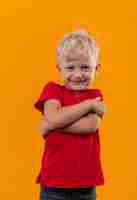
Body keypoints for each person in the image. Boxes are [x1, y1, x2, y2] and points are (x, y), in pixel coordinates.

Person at [34, 29, 106, 200]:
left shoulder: (96, 95)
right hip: (53, 182)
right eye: (70, 67)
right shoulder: (52, 90)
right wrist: (87, 106)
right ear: (60, 68)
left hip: (85, 185)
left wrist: (51, 125)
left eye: (85, 67)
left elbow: (90, 126)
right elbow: (54, 118)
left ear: (97, 68)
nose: (78, 74)